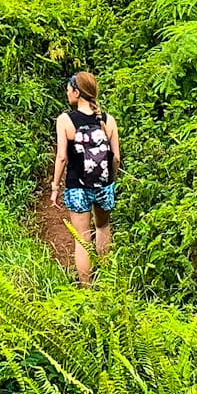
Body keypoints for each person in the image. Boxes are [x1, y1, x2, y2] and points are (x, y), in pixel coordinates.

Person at [51, 70, 119, 286]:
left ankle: (86, 288)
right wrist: (110, 181)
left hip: (77, 187)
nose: (67, 93)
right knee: (102, 228)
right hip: (104, 184)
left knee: (82, 238)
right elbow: (115, 158)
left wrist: (55, 187)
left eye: (69, 89)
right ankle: (107, 280)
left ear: (77, 92)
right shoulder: (108, 120)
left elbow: (62, 157)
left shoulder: (65, 120)